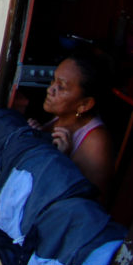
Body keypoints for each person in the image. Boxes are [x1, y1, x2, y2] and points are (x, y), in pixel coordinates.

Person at [28, 53, 114, 195]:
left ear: (84, 104)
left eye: (61, 87)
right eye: (53, 81)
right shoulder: (61, 116)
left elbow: (91, 205)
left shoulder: (96, 142)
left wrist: (62, 160)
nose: (50, 90)